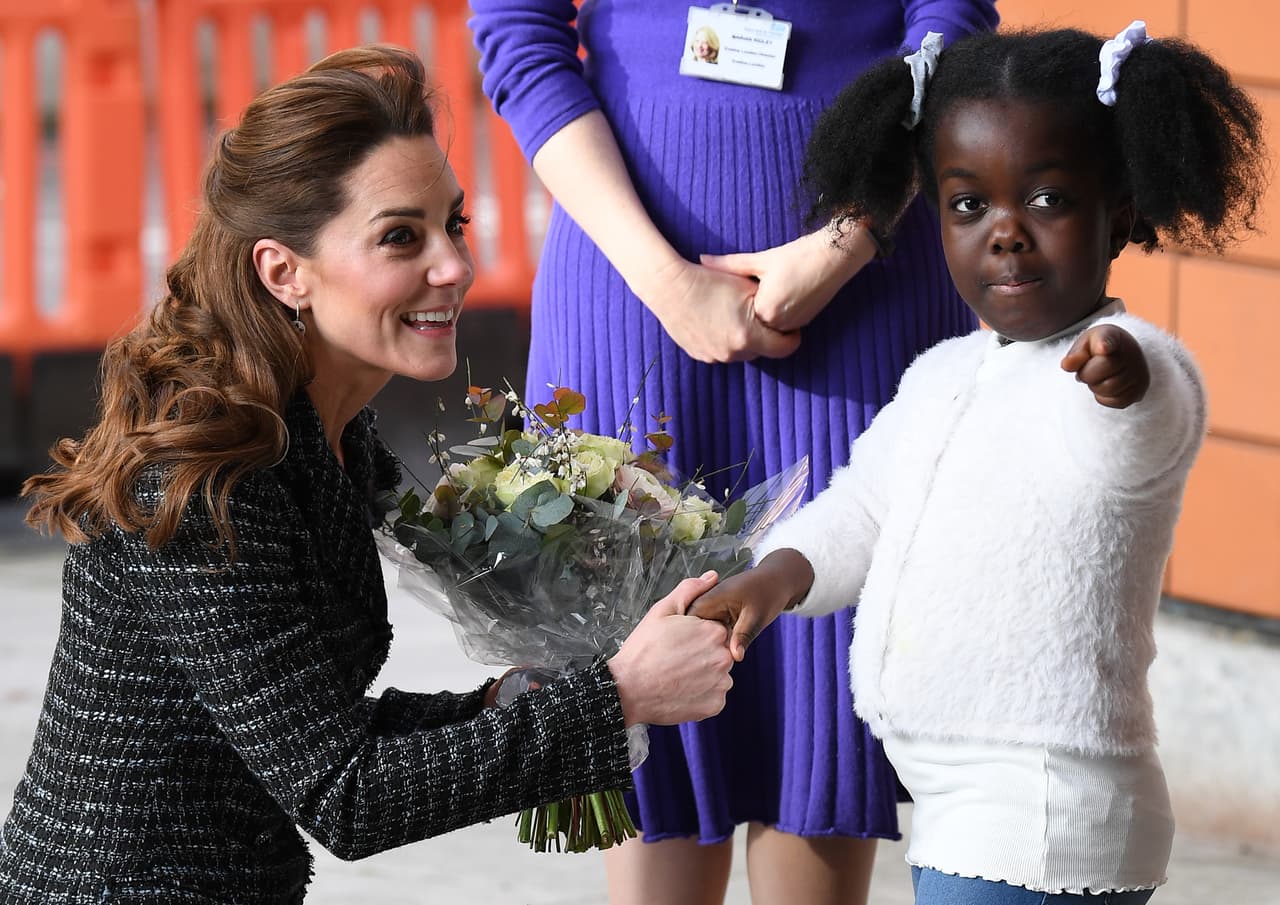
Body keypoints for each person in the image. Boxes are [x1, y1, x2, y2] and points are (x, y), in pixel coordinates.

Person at [0, 45, 737, 903]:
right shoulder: (206, 474)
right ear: (284, 272)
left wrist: (511, 698)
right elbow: (345, 793)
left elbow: (323, 734)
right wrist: (616, 697)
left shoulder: (328, 436)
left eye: (453, 224)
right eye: (401, 236)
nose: (455, 266)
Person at [689, 21, 1267, 905]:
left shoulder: (1128, 362)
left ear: (1119, 211)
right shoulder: (944, 373)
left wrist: (1124, 379)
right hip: (967, 801)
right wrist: (773, 579)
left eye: (1047, 200)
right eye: (969, 206)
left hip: (1044, 802)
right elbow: (863, 508)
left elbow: (1138, 435)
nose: (1005, 232)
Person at [470, 2, 998, 903]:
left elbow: (951, 23)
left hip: (868, 275)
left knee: (827, 687)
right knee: (645, 686)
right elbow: (518, 32)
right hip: (626, 279)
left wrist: (850, 238)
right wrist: (664, 281)